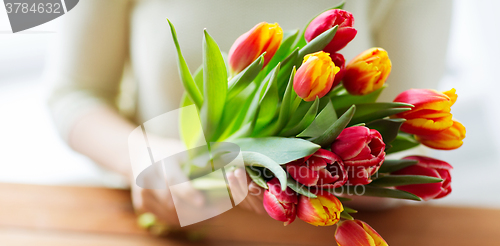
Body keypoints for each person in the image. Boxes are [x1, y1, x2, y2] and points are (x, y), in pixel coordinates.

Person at [46, 0, 452, 226]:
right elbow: (74, 93)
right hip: (143, 216)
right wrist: (146, 157)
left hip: (317, 241)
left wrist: (288, 178)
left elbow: (397, 148)